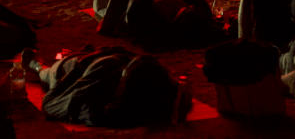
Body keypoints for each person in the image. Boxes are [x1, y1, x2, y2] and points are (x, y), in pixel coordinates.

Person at [16, 46, 190, 127]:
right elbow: (50, 104)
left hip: (97, 62)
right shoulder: (101, 76)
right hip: (73, 69)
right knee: (50, 75)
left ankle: (81, 53)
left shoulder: (156, 81)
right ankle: (38, 66)